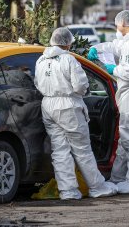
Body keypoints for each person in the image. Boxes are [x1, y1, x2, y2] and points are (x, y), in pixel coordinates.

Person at [34, 27, 118, 200]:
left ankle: (68, 191)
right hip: (68, 104)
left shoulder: (41, 59)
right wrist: (78, 93)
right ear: (68, 43)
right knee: (82, 149)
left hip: (47, 105)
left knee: (59, 150)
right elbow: (81, 85)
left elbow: (37, 82)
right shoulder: (69, 60)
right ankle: (97, 187)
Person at [87, 10, 129, 194]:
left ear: (124, 23)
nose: (117, 28)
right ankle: (120, 177)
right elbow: (117, 46)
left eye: (117, 24)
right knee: (127, 137)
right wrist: (99, 48)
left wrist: (113, 69)